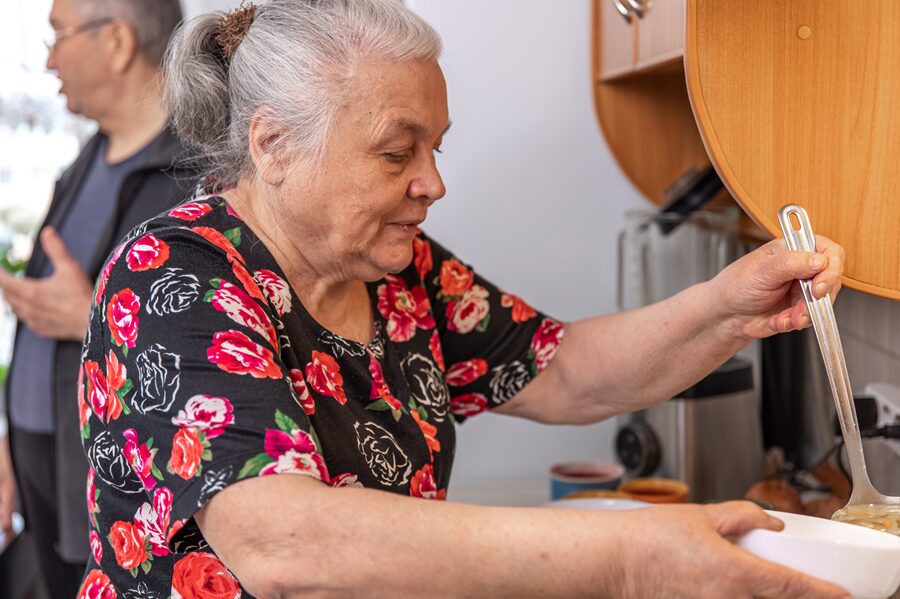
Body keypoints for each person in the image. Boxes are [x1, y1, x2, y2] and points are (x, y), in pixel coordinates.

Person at [77, 1, 850, 597]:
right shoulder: (171, 277)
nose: (433, 183)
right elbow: (281, 543)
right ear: (273, 144)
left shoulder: (398, 272)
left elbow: (566, 368)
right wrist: (631, 560)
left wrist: (728, 308)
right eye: (396, 150)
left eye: (434, 147)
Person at [0, 0, 194, 596]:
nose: (51, 60)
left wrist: (93, 317)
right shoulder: (85, 163)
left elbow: (214, 347)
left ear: (116, 41)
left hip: (122, 511)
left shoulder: (193, 176)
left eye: (58, 36)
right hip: (45, 484)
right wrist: (12, 445)